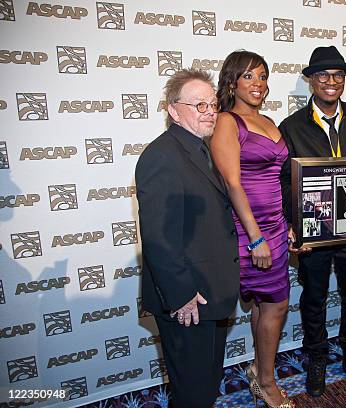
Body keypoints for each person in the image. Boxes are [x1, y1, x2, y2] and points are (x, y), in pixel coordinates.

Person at [135, 68, 239, 407]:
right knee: (191, 392)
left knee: (206, 383)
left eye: (213, 104)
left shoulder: (201, 149)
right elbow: (158, 238)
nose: (209, 111)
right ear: (173, 109)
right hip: (188, 300)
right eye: (199, 105)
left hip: (211, 291)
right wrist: (181, 295)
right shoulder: (161, 156)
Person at [279, 45, 346, 397]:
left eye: (338, 75)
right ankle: (317, 359)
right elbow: (283, 181)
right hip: (313, 232)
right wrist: (293, 224)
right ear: (311, 81)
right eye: (323, 75)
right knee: (314, 298)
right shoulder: (290, 127)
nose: (331, 82)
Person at [211, 50, 294, 408]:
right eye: (249, 77)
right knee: (276, 304)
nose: (258, 84)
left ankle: (260, 369)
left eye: (262, 76)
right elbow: (232, 183)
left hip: (275, 225)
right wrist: (256, 236)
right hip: (248, 230)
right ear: (231, 82)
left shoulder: (271, 122)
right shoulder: (227, 122)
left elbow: (279, 179)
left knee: (267, 306)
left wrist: (285, 225)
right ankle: (267, 382)